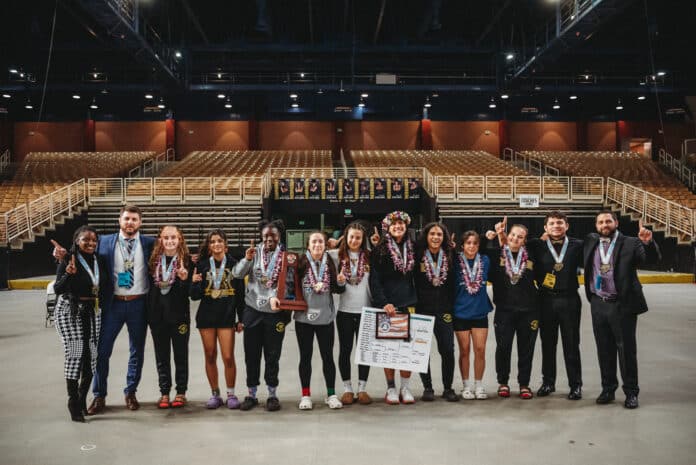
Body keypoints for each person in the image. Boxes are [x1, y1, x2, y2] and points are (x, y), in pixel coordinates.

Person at [53, 204, 155, 414]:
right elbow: (81, 256)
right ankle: (99, 396)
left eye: (134, 219)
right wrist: (61, 257)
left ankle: (131, 392)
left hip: (139, 304)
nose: (130, 223)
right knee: (101, 352)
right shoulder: (103, 242)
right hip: (112, 304)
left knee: (137, 351)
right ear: (120, 220)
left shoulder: (150, 243)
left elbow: (174, 250)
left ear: (140, 223)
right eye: (126, 218)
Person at [584, 211, 659, 409]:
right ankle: (608, 389)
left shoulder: (631, 243)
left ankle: (631, 392)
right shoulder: (591, 241)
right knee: (604, 349)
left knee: (626, 351)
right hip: (598, 304)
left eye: (608, 221)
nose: (604, 225)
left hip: (622, 305)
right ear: (596, 225)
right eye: (600, 222)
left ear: (616, 222)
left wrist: (647, 243)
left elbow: (650, 261)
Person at [271, 231, 346, 410]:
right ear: (308, 245)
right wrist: (277, 297)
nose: (318, 245)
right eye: (314, 242)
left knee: (328, 357)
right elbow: (287, 284)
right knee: (305, 357)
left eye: (321, 241)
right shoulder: (300, 263)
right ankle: (305, 395)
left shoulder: (331, 262)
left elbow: (338, 289)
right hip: (303, 319)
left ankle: (331, 394)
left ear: (325, 244)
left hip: (325, 318)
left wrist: (341, 282)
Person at [232, 220, 290, 412]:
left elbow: (289, 284)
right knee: (251, 354)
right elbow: (237, 274)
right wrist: (247, 259)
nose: (268, 240)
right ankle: (252, 394)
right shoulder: (254, 253)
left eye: (272, 236)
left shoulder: (286, 257)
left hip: (275, 313)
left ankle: (272, 394)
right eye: (265, 236)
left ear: (279, 236)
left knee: (272, 355)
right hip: (253, 311)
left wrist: (276, 298)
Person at [526, 211, 584, 400]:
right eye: (552, 223)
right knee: (548, 344)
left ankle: (575, 385)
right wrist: (498, 236)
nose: (556, 226)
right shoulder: (536, 245)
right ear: (545, 227)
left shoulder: (578, 245)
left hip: (570, 300)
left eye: (560, 223)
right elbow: (513, 246)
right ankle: (548, 382)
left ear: (567, 226)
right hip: (545, 300)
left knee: (572, 344)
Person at [54, 226, 107, 422]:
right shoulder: (69, 259)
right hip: (71, 311)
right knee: (76, 354)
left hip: (92, 310)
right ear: (77, 240)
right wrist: (68, 272)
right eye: (86, 240)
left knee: (91, 357)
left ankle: (82, 397)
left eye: (94, 240)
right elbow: (58, 288)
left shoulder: (98, 260)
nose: (91, 243)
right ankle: (72, 401)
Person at [190, 229, 245, 409]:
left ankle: (231, 393)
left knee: (228, 357)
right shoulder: (203, 265)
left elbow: (240, 295)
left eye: (219, 241)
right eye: (212, 241)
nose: (216, 244)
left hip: (227, 316)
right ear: (209, 245)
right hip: (206, 316)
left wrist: (241, 318)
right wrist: (195, 282)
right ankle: (215, 393)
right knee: (210, 355)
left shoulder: (235, 264)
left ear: (225, 244)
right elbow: (195, 297)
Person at [369, 211, 418, 405]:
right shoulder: (379, 250)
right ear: (387, 228)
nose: (398, 226)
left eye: (401, 224)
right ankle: (390, 387)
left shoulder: (414, 248)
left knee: (407, 350)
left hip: (409, 303)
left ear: (406, 227)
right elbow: (375, 280)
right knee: (389, 350)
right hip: (388, 306)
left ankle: (405, 386)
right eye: (394, 224)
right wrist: (383, 302)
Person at [490, 217, 540, 400]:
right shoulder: (497, 255)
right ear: (507, 235)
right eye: (513, 235)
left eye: (520, 237)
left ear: (525, 240)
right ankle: (503, 382)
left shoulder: (532, 254)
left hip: (529, 310)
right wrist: (494, 234)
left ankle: (524, 383)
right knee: (503, 347)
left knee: (526, 348)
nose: (515, 239)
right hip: (504, 310)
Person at [327, 221, 373, 405]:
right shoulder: (336, 256)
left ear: (363, 240)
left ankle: (362, 388)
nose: (354, 240)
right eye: (351, 236)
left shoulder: (370, 256)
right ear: (345, 238)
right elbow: (315, 253)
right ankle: (347, 388)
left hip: (366, 311)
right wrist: (330, 242)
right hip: (345, 311)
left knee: (364, 351)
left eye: (358, 237)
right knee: (345, 350)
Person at [147, 225, 192, 409]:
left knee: (181, 355)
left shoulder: (187, 261)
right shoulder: (152, 261)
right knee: (161, 356)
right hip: (157, 316)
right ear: (160, 240)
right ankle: (164, 392)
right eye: (166, 238)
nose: (170, 241)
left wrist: (183, 280)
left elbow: (191, 292)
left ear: (180, 239)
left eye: (174, 237)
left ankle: (181, 392)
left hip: (179, 316)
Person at [414, 222, 458, 402]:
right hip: (422, 309)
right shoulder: (417, 255)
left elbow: (454, 282)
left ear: (444, 237)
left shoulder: (450, 255)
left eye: (439, 234)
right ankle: (428, 387)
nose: (435, 237)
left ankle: (448, 388)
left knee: (447, 349)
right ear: (426, 236)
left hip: (444, 310)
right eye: (432, 233)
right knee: (422, 350)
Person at [453, 230, 494, 400]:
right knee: (464, 350)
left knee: (480, 350)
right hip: (460, 312)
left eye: (475, 243)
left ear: (479, 245)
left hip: (479, 311)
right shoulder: (454, 261)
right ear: (462, 246)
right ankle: (466, 385)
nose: (471, 246)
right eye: (468, 243)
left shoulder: (485, 260)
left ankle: (478, 384)